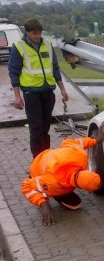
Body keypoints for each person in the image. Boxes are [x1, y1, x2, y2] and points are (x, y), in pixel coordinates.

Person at [21, 124, 104, 226]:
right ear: (85, 189)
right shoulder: (54, 183)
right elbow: (26, 185)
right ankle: (50, 195)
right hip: (36, 169)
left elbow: (69, 142)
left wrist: (95, 140)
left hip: (46, 155)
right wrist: (43, 204)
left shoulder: (80, 156)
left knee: (75, 203)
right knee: (74, 204)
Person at [8, 18, 69, 158]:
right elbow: (14, 73)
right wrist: (17, 97)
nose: (37, 36)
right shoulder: (18, 47)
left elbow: (55, 68)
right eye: (34, 33)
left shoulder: (47, 44)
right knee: (36, 129)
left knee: (45, 128)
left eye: (39, 33)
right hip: (31, 94)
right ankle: (37, 160)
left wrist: (63, 89)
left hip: (48, 92)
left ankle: (46, 157)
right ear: (27, 32)